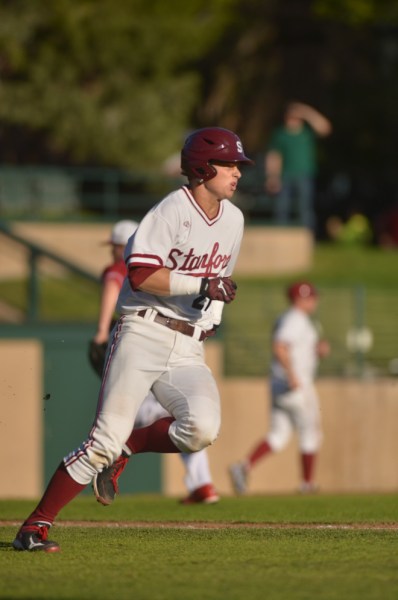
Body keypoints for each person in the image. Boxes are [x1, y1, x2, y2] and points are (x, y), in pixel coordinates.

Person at [13, 126, 254, 552]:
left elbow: (219, 279)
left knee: (201, 429)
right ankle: (34, 527)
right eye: (229, 164)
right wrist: (201, 285)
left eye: (238, 165)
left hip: (188, 343)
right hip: (143, 330)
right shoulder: (170, 211)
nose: (237, 172)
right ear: (201, 167)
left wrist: (211, 307)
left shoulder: (233, 219)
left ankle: (130, 447)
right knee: (99, 441)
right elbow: (141, 274)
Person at [88, 219, 220, 505]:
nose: (113, 252)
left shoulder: (119, 267)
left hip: (136, 343)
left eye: (115, 246)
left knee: (126, 422)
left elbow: (112, 288)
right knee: (187, 421)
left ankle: (200, 483)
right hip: (172, 344)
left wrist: (100, 333)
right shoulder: (165, 264)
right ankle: (202, 484)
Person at [229, 281, 330, 496]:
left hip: (278, 384)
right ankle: (307, 484)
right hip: (294, 384)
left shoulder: (289, 318)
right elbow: (280, 346)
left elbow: (290, 348)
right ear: (301, 299)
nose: (314, 300)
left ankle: (244, 467)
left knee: (279, 435)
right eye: (311, 297)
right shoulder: (296, 319)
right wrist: (292, 375)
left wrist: (317, 351)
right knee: (310, 432)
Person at [265, 101, 332, 231]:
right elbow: (274, 156)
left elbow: (325, 128)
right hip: (285, 176)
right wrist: (272, 177)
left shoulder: (307, 133)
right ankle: (281, 236)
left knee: (305, 208)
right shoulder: (280, 134)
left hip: (304, 175)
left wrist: (306, 111)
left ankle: (307, 237)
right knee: (282, 209)